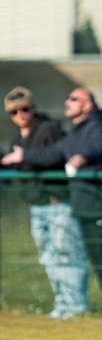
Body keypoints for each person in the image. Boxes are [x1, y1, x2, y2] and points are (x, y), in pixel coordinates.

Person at [2, 88, 102, 315]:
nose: (66, 102)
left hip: (97, 200)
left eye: (73, 99)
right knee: (97, 256)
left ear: (87, 104)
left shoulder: (93, 125)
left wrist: (84, 156)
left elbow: (99, 147)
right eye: (14, 111)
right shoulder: (75, 130)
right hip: (83, 202)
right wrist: (22, 156)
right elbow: (53, 153)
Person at [1, 87, 89, 319]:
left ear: (33, 108)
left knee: (66, 253)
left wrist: (24, 156)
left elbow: (59, 155)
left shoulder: (49, 129)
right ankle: (62, 304)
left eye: (24, 109)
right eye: (14, 112)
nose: (20, 114)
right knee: (48, 257)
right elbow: (15, 165)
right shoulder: (17, 138)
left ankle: (76, 305)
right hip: (36, 206)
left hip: (56, 203)